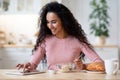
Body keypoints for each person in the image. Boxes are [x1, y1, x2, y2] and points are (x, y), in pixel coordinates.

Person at [16, 1, 105, 72]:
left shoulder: (78, 40)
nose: (50, 26)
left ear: (64, 21)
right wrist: (28, 66)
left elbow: (100, 64)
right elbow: (33, 64)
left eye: (54, 22)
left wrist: (84, 66)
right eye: (48, 22)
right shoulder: (46, 40)